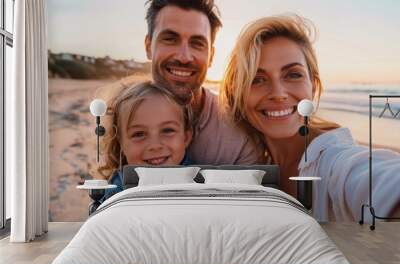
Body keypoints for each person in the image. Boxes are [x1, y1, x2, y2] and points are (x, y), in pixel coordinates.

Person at [220, 14, 400, 221]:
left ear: (313, 86)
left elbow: (379, 180)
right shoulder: (250, 162)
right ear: (237, 93)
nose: (278, 93)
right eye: (257, 79)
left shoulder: (335, 162)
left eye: (293, 74)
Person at [144, 0, 262, 164]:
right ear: (148, 47)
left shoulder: (240, 135)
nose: (184, 57)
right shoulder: (123, 118)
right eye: (170, 39)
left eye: (197, 43)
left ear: (211, 56)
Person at [96, 80, 193, 201]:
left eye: (167, 130)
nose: (155, 146)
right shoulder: (116, 193)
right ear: (121, 143)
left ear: (186, 138)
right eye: (139, 134)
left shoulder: (202, 182)